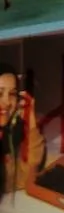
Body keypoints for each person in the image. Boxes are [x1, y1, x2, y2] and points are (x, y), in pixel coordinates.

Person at [0, 62, 45, 200]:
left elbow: (25, 179)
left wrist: (30, 120)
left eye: (12, 94)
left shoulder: (7, 137)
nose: (7, 102)